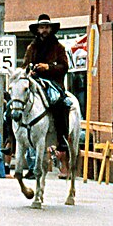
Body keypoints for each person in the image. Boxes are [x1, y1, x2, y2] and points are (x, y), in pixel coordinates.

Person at [23, 14, 71, 177]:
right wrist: (29, 70)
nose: (44, 30)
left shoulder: (59, 47)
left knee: (59, 103)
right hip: (34, 81)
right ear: (37, 30)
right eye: (41, 27)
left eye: (46, 27)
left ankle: (62, 139)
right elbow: (24, 65)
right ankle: (11, 139)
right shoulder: (32, 47)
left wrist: (48, 67)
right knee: (15, 103)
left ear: (51, 29)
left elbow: (65, 66)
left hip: (53, 83)